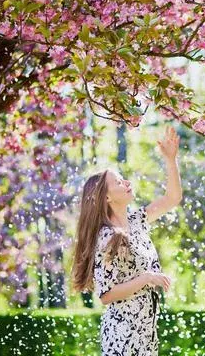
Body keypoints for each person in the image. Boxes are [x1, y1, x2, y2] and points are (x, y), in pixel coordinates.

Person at [71, 125, 182, 356]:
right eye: (119, 182)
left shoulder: (136, 221)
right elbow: (106, 295)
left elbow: (172, 198)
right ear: (107, 197)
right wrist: (147, 278)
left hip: (146, 335)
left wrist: (171, 160)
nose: (127, 183)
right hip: (122, 337)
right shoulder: (107, 236)